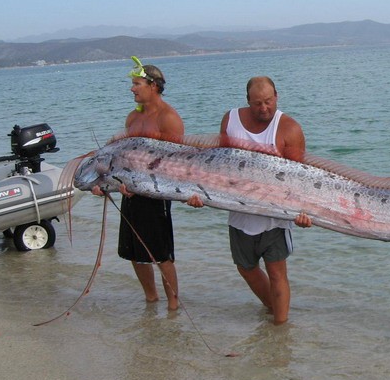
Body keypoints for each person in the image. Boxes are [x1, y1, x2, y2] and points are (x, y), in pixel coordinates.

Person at [187, 76, 311, 325]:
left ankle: (280, 328)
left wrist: (304, 212)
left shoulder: (289, 129)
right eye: (257, 104)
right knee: (245, 268)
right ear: (247, 101)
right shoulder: (230, 120)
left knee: (277, 273)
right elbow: (218, 166)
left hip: (275, 218)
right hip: (238, 213)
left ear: (276, 96)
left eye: (268, 101)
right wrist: (197, 193)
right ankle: (272, 309)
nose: (264, 108)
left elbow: (301, 177)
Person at [92, 56, 184, 311]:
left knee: (161, 254)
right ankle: (150, 298)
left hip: (155, 194)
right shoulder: (133, 118)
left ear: (153, 85)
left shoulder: (169, 118)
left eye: (137, 84)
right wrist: (111, 182)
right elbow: (123, 158)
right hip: (129, 192)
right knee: (133, 252)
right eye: (132, 84)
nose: (132, 88)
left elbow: (174, 164)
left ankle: (173, 305)